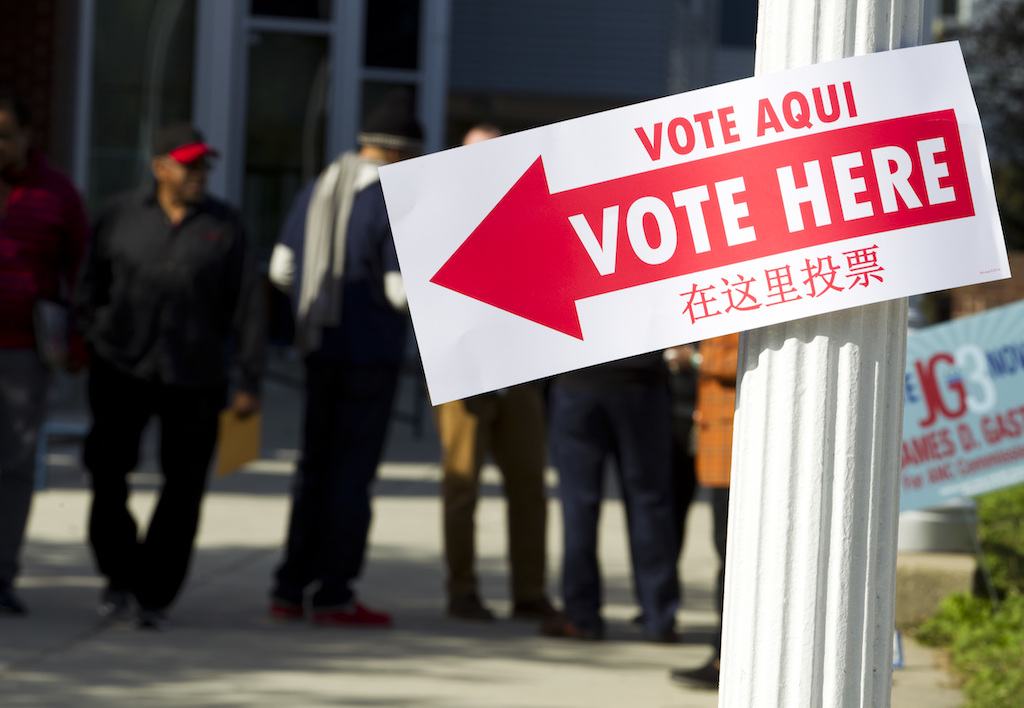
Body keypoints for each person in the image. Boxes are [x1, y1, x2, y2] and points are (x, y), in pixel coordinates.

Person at [73, 123, 265, 630]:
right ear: (160, 167)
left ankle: (154, 592)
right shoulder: (118, 217)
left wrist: (249, 381)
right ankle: (118, 572)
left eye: (204, 165)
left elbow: (248, 307)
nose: (199, 173)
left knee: (184, 486)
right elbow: (88, 286)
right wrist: (94, 335)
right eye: (188, 164)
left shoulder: (226, 226)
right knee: (107, 473)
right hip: (122, 369)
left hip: (196, 376)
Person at [266, 89, 422, 628]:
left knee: (313, 469)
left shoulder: (319, 187)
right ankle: (334, 594)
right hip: (368, 354)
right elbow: (399, 290)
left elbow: (282, 269)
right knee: (352, 477)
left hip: (318, 349)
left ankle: (288, 588)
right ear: (401, 153)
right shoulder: (389, 198)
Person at [435, 124, 557, 623]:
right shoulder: (441, 214)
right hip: (464, 375)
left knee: (529, 485)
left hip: (520, 371)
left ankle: (529, 591)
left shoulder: (529, 211)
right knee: (462, 487)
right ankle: (461, 590)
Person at [0, 90, 89, 616]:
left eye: (6, 134)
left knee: (12, 467)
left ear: (30, 137)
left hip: (22, 354)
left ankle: (1, 574)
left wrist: (76, 337)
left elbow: (82, 270)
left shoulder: (57, 195)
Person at [542, 353, 679, 642]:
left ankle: (581, 615)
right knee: (649, 503)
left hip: (578, 379)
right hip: (639, 382)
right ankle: (659, 615)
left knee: (579, 506)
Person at [670, 333, 738, 689]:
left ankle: (726, 656)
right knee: (727, 554)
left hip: (735, 445)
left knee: (734, 557)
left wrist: (695, 360)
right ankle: (723, 653)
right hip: (719, 442)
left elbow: (750, 355)